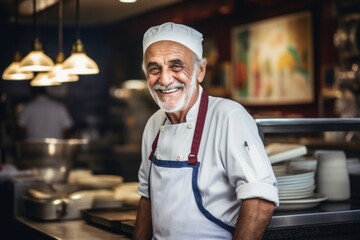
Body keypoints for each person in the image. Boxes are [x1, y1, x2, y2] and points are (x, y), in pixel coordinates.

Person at [134, 22, 279, 240]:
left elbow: (260, 201)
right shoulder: (154, 123)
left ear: (200, 70)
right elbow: (147, 197)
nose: (164, 79)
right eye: (154, 68)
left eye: (176, 66)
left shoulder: (229, 116)